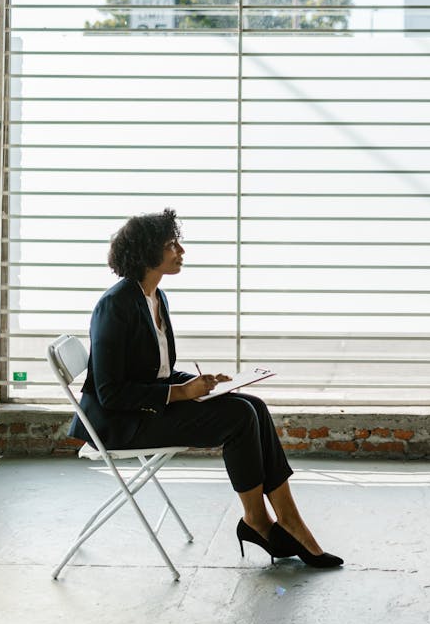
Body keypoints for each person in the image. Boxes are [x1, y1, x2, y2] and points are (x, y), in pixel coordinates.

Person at [69, 208, 342, 569]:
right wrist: (182, 393)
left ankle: (285, 522)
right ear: (147, 251)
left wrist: (199, 384)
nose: (181, 251)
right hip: (121, 424)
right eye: (171, 244)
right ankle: (260, 522)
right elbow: (110, 393)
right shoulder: (114, 305)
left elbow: (156, 371)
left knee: (253, 405)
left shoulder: (154, 298)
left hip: (147, 409)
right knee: (241, 416)